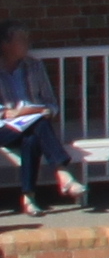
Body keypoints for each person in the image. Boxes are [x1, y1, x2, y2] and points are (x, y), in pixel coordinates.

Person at [0, 22, 66, 213]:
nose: (27, 43)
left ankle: (29, 197)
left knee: (32, 138)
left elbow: (50, 102)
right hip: (3, 127)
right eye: (21, 39)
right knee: (38, 123)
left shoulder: (34, 66)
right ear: (5, 44)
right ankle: (62, 171)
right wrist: (6, 113)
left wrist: (46, 111)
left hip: (29, 124)